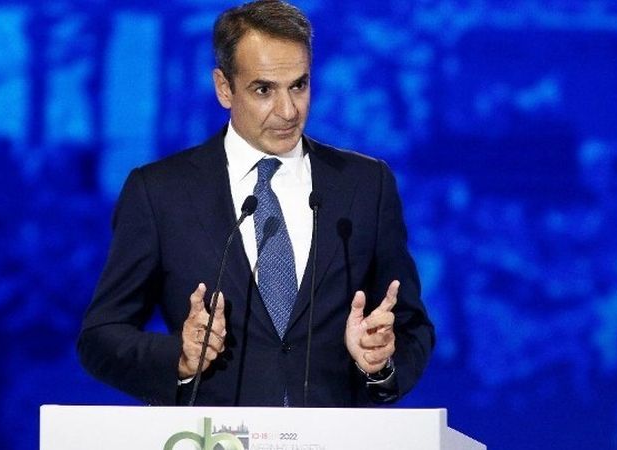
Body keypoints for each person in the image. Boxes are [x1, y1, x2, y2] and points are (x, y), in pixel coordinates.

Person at [77, 0, 434, 407]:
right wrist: (180, 358)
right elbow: (101, 337)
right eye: (264, 90)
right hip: (213, 433)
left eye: (298, 86)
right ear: (224, 88)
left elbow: (411, 325)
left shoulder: (365, 185)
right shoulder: (160, 192)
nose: (288, 111)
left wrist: (380, 362)